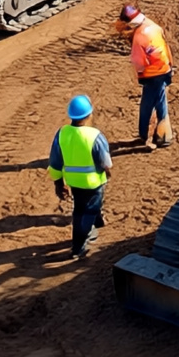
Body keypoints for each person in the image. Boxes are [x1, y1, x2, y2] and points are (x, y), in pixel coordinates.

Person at [48, 95, 112, 259]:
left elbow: (55, 163)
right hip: (93, 183)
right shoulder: (94, 136)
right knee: (86, 212)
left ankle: (98, 222)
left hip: (74, 183)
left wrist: (58, 183)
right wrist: (107, 172)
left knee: (81, 207)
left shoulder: (62, 134)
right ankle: (79, 246)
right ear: (89, 114)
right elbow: (105, 162)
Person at [116, 4, 174, 148]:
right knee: (159, 101)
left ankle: (152, 135)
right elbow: (166, 46)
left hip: (151, 74)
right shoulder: (154, 26)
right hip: (165, 68)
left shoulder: (139, 37)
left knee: (150, 104)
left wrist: (140, 74)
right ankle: (162, 135)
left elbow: (138, 61)